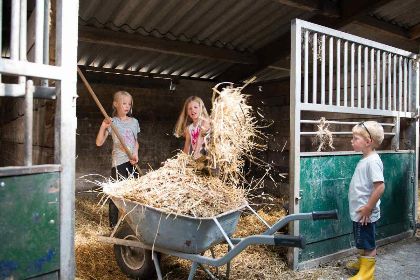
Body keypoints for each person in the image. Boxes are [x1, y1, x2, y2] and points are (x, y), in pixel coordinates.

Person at [346, 121, 385, 280]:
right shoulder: (365, 159)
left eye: (355, 138)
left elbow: (380, 187)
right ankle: (363, 264)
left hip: (366, 214)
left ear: (368, 142)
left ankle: (367, 274)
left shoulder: (373, 161)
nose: (352, 141)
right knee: (362, 240)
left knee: (368, 243)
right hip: (361, 212)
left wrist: (368, 207)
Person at [96, 90, 140, 228]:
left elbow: (136, 141)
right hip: (119, 163)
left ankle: (132, 224)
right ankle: (113, 225)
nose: (127, 106)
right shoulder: (112, 121)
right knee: (117, 195)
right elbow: (99, 142)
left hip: (132, 162)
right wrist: (103, 126)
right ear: (115, 104)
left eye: (129, 104)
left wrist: (136, 154)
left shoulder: (134, 122)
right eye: (124, 103)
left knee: (134, 194)